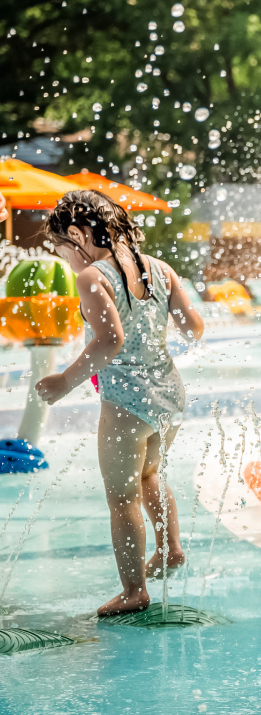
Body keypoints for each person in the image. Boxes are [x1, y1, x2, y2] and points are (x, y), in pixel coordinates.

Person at [35, 190, 205, 615]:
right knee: (149, 475)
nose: (66, 261)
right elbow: (193, 329)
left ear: (76, 234)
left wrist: (63, 383)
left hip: (126, 401)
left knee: (121, 497)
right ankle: (170, 550)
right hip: (169, 395)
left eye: (62, 250)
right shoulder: (161, 269)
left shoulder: (92, 277)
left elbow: (111, 341)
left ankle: (134, 592)